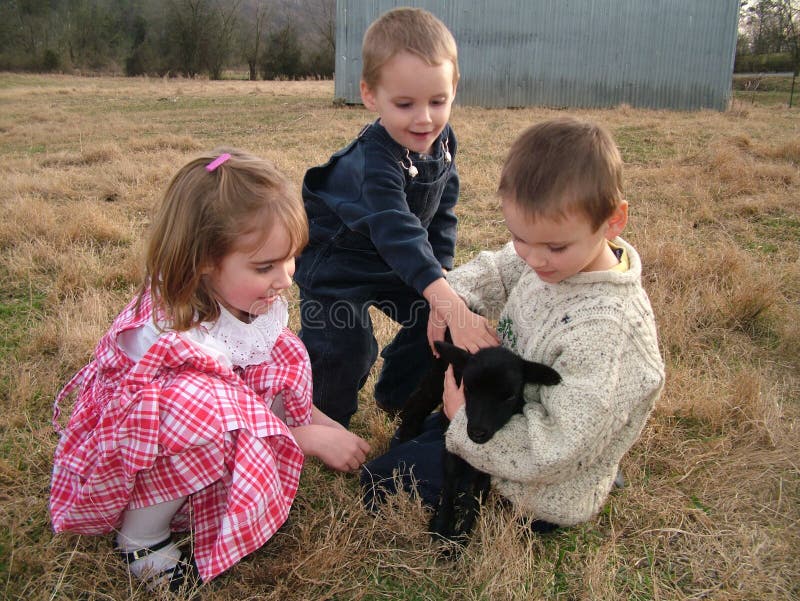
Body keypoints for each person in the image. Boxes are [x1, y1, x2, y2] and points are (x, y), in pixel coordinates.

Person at [49, 149, 370, 593]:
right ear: (204, 260)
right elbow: (203, 418)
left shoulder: (236, 297)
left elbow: (248, 381)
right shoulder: (169, 330)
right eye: (266, 266)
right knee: (202, 411)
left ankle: (259, 461)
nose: (287, 278)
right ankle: (140, 538)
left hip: (197, 423)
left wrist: (317, 420)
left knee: (283, 353)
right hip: (131, 450)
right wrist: (308, 440)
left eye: (291, 257)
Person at [362, 118, 665, 531]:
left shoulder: (607, 330)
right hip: (503, 414)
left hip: (536, 482)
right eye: (520, 238)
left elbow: (560, 447)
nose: (534, 258)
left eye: (554, 246)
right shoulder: (547, 257)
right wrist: (450, 302)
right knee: (440, 320)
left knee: (381, 480)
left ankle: (582, 481)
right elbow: (496, 270)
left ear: (613, 221)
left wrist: (464, 422)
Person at [295, 7, 497, 428]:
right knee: (346, 347)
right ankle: (325, 424)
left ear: (454, 88)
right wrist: (446, 298)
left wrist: (441, 275)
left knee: (438, 318)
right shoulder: (374, 160)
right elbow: (397, 230)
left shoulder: (441, 141)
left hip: (399, 266)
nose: (424, 118)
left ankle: (398, 397)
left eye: (437, 101)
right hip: (337, 268)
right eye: (404, 104)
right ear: (371, 95)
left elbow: (441, 209)